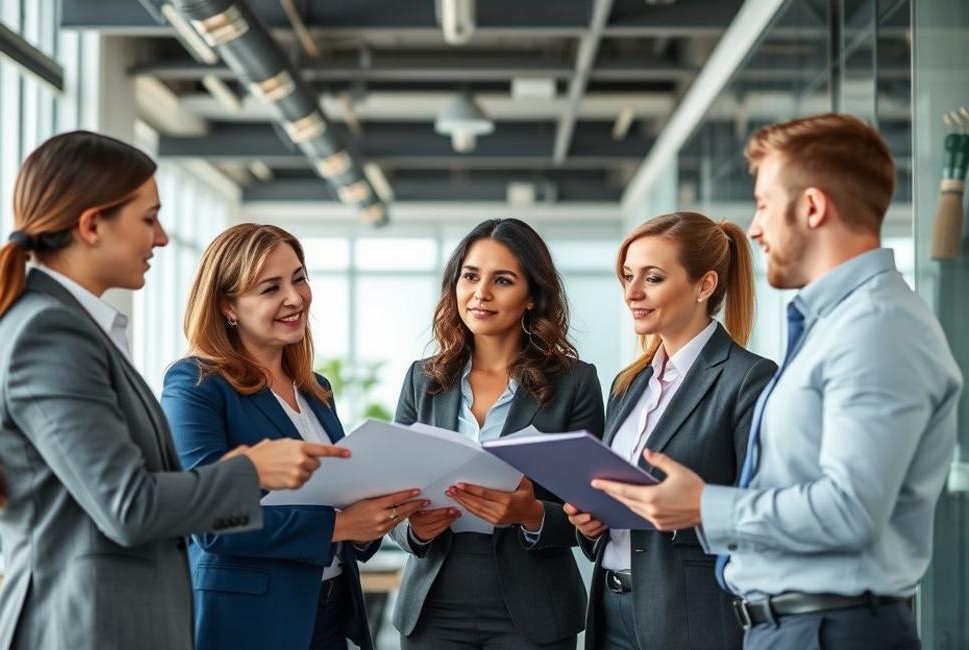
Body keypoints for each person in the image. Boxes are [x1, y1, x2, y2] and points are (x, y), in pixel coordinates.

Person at [593, 113, 963, 649]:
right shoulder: (835, 328)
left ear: (811, 207)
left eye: (765, 203)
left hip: (828, 628)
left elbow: (852, 510)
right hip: (792, 625)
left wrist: (703, 506)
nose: (757, 227)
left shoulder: (876, 328)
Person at [0, 131, 345, 650]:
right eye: (148, 218)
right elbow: (129, 506)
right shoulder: (49, 333)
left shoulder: (72, 328)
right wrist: (252, 470)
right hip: (77, 626)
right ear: (91, 226)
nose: (162, 239)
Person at [161, 223, 428, 650]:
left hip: (327, 617)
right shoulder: (196, 383)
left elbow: (335, 498)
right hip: (249, 623)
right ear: (228, 306)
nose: (294, 297)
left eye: (299, 278)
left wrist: (367, 525)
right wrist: (338, 526)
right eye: (270, 288)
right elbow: (205, 516)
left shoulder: (315, 388)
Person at [389, 218, 605, 650]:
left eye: (502, 280)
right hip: (434, 599)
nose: (481, 293)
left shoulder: (575, 383)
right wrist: (414, 528)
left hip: (535, 602)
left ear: (531, 297)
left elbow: (594, 515)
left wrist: (532, 515)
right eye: (470, 276)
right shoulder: (423, 379)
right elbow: (390, 494)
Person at [564, 212, 775, 650]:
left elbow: (764, 517)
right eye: (627, 277)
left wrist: (684, 514)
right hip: (610, 608)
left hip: (692, 616)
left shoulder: (748, 379)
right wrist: (592, 524)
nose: (632, 293)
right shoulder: (628, 384)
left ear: (705, 285)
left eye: (652, 278)